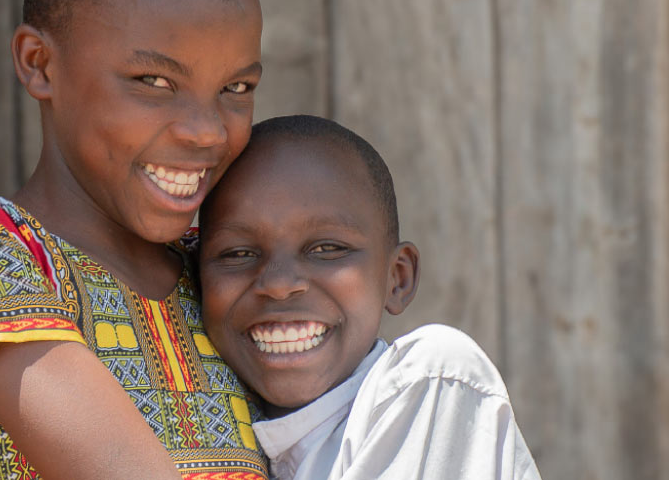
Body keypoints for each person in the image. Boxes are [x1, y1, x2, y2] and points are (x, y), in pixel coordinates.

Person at [0, 0, 268, 478]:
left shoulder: (220, 272)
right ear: (39, 63)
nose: (207, 132)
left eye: (236, 89)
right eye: (154, 81)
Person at [198, 115, 542, 479]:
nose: (280, 284)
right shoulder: (232, 437)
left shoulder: (432, 381)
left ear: (398, 278)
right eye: (237, 253)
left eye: (326, 248)